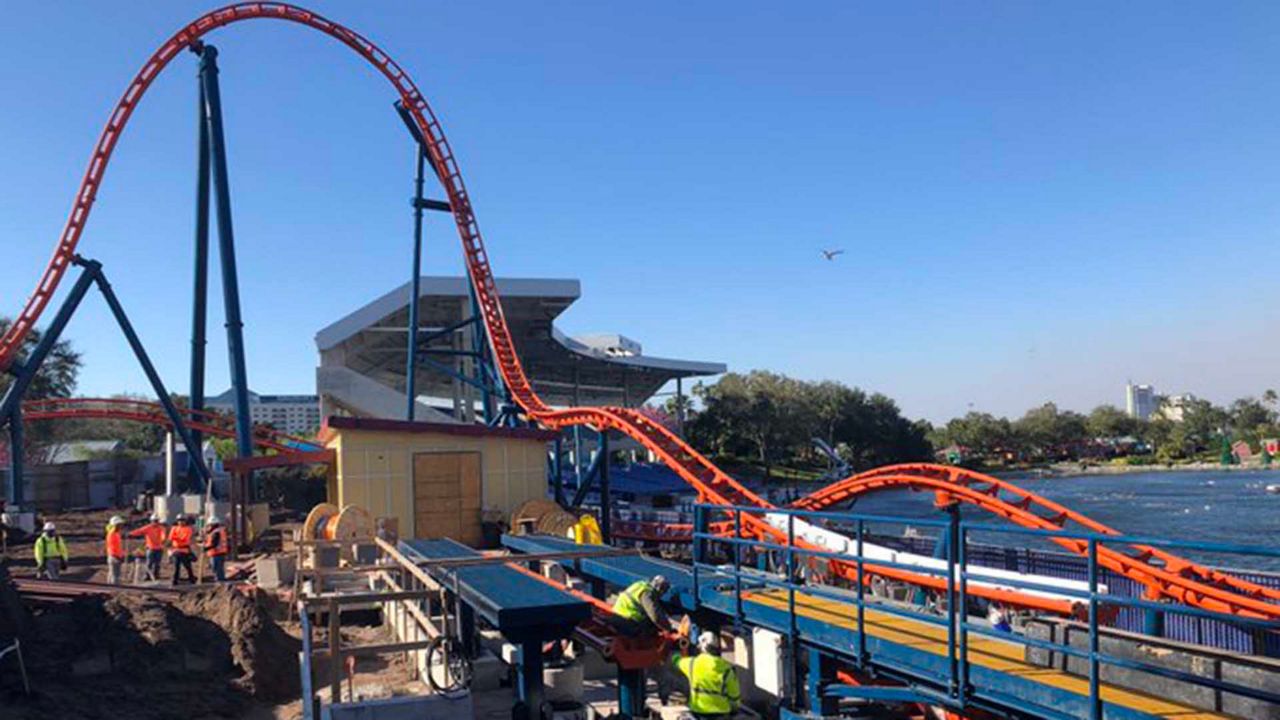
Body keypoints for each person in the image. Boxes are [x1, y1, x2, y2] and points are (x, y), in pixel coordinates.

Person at [672, 631, 740, 720]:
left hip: (698, 711)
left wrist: (680, 648)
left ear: (701, 647)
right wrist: (734, 709)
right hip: (721, 713)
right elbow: (734, 694)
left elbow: (676, 660)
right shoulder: (726, 668)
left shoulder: (692, 663)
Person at [610, 574, 674, 637]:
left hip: (616, 615)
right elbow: (655, 616)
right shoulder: (647, 593)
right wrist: (668, 628)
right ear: (660, 589)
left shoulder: (640, 584)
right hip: (627, 622)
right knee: (653, 630)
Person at [129, 513, 167, 581]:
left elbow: (163, 534)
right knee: (149, 562)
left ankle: (156, 575)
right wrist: (130, 533)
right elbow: (139, 531)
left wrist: (163, 539)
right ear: (151, 521)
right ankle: (147, 576)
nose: (155, 522)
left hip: (159, 548)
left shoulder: (161, 528)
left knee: (157, 563)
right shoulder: (148, 528)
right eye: (154, 521)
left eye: (157, 521)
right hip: (151, 548)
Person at [167, 515, 196, 585]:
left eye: (182, 520)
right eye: (179, 520)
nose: (181, 522)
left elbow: (184, 538)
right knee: (176, 566)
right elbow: (170, 538)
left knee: (187, 566)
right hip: (176, 550)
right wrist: (176, 538)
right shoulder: (174, 528)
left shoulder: (188, 529)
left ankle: (192, 579)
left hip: (184, 550)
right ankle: (175, 580)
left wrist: (176, 537)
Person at [203, 515, 229, 582]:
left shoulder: (216, 532)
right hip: (219, 552)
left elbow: (214, 544)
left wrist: (206, 548)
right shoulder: (218, 531)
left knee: (217, 569)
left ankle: (220, 581)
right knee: (218, 569)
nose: (209, 527)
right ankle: (220, 580)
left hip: (217, 553)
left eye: (210, 525)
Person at [105, 515, 126, 585]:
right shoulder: (112, 534)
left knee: (112, 573)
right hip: (114, 556)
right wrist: (118, 557)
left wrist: (121, 553)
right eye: (119, 525)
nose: (121, 526)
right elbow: (113, 547)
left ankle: (109, 588)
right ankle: (115, 589)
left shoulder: (115, 534)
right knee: (115, 575)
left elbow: (117, 546)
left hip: (114, 556)